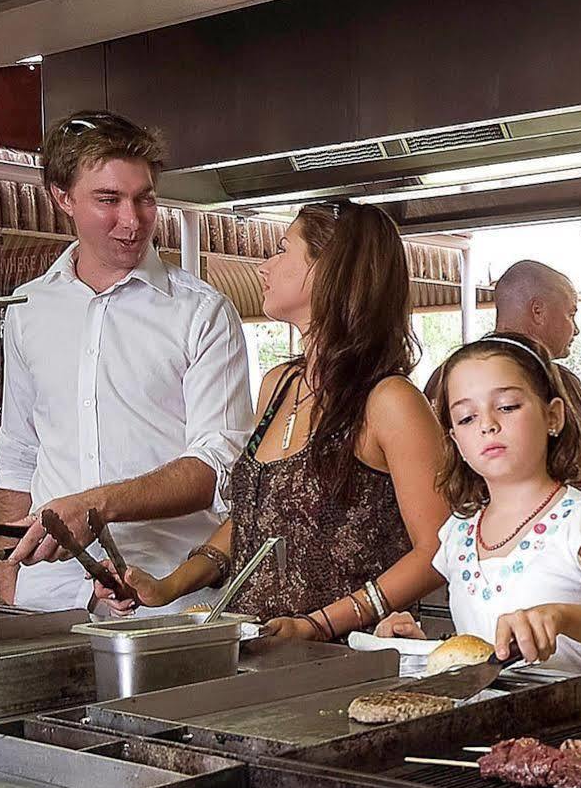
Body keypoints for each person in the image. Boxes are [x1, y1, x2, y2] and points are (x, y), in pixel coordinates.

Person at [101, 201, 448, 640]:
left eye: (284, 250)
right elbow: (256, 517)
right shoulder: (279, 384)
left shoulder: (390, 401)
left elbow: (437, 550)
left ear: (329, 270)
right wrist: (168, 585)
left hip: (348, 658)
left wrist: (319, 625)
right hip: (258, 651)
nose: (265, 267)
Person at [0, 112, 251, 611]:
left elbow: (219, 463)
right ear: (62, 197)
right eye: (108, 200)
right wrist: (8, 572)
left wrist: (97, 506)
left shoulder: (202, 312)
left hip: (170, 595)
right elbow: (19, 451)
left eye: (144, 198)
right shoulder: (27, 308)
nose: (132, 221)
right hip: (51, 598)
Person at [429, 331, 581, 676]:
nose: (488, 424)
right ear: (456, 441)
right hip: (491, 725)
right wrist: (417, 641)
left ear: (553, 416)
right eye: (467, 417)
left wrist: (563, 616)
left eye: (508, 406)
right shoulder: (456, 535)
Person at [429, 259, 581, 491]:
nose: (576, 329)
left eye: (507, 407)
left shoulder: (443, 376)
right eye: (571, 314)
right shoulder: (551, 377)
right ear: (538, 311)